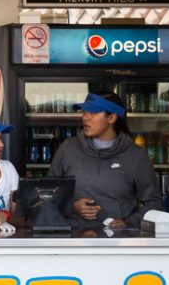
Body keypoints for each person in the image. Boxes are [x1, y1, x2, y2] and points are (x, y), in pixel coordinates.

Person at [50, 91, 161, 230]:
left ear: (112, 118)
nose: (85, 117)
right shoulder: (68, 148)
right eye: (84, 112)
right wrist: (72, 206)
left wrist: (129, 222)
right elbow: (46, 193)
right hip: (74, 239)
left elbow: (154, 203)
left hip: (118, 242)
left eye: (94, 113)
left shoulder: (136, 155)